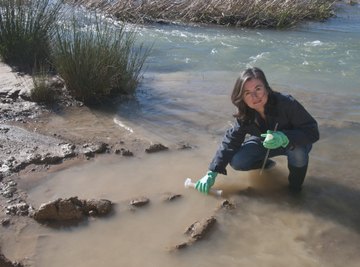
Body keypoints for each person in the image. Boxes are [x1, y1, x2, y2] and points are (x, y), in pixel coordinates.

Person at [195, 67, 319, 194]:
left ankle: (295, 188)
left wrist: (284, 137)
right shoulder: (244, 113)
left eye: (258, 89)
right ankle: (267, 165)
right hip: (264, 142)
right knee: (238, 160)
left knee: (298, 152)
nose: (254, 97)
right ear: (241, 96)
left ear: (267, 88)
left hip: (294, 142)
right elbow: (231, 141)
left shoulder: (287, 103)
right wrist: (212, 172)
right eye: (247, 93)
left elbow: (312, 132)